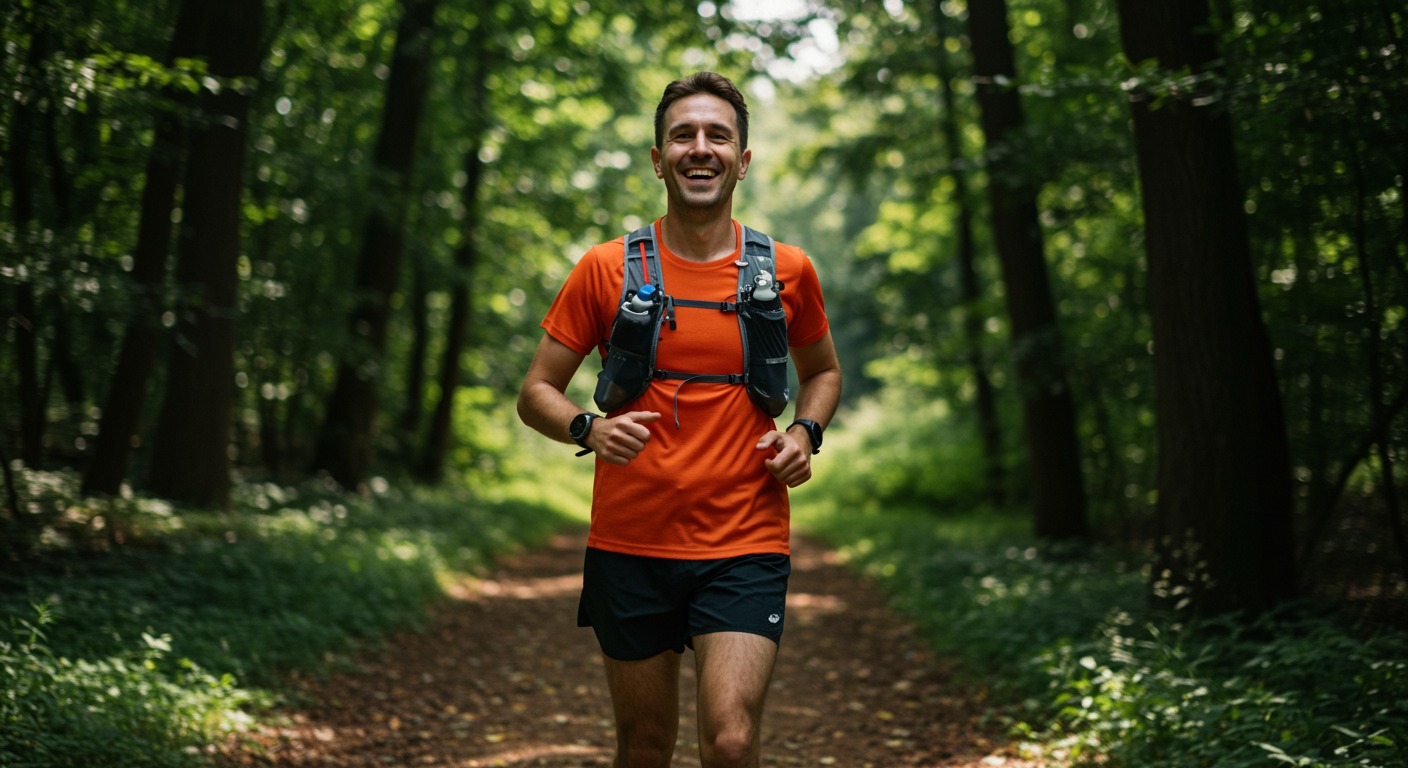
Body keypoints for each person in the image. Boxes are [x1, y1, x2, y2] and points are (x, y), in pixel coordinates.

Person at [517, 71, 841, 768]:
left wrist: (803, 432)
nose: (701, 148)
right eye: (683, 135)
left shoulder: (788, 270)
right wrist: (589, 428)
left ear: (742, 159)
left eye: (717, 135)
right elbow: (537, 391)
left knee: (730, 740)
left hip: (745, 543)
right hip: (630, 545)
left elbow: (823, 372)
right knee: (644, 745)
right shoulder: (605, 269)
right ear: (658, 158)